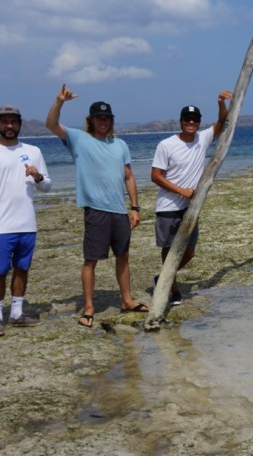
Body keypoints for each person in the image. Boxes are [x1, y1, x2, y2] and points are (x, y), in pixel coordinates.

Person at [45, 84, 147, 327]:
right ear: (90, 120)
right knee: (91, 260)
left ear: (111, 121)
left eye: (107, 118)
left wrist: (135, 207)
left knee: (123, 256)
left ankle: (127, 300)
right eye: (99, 117)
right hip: (96, 211)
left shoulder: (120, 145)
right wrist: (59, 102)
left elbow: (129, 177)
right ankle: (89, 307)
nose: (103, 121)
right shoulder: (78, 139)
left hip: (119, 211)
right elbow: (50, 124)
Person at [150, 91, 231, 305]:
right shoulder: (166, 145)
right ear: (181, 121)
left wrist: (221, 103)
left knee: (190, 251)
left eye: (195, 119)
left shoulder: (202, 139)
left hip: (191, 208)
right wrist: (180, 190)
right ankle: (172, 289)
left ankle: (163, 278)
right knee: (168, 249)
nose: (192, 122)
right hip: (168, 206)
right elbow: (155, 176)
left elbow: (223, 121)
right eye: (188, 119)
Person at [0, 104, 52, 334]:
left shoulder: (33, 151)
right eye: (4, 121)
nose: (9, 126)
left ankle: (17, 313)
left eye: (13, 121)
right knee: (0, 271)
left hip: (27, 224)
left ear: (20, 124)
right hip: (1, 225)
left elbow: (47, 187)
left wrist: (38, 176)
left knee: (22, 268)